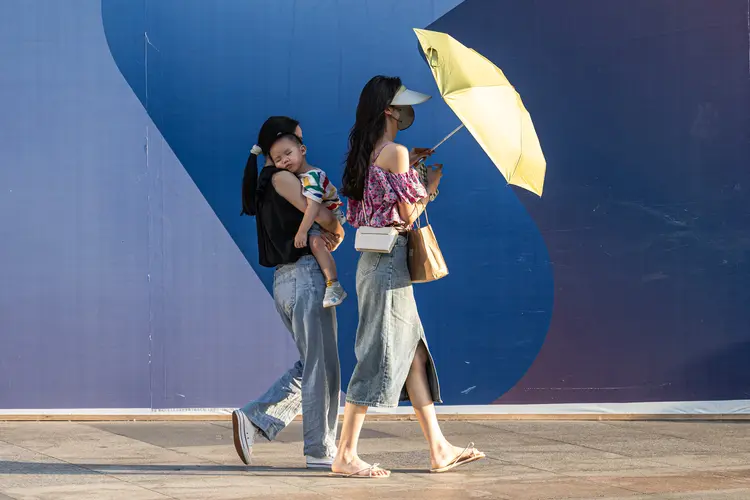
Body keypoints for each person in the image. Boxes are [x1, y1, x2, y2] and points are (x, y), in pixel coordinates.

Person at [332, 77, 485, 478]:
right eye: (402, 105)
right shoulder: (394, 152)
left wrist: (410, 170)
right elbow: (406, 216)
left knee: (414, 353)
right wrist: (428, 186)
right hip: (388, 264)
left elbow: (360, 212)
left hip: (377, 260)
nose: (408, 111)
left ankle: (439, 448)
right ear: (389, 110)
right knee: (376, 352)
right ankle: (345, 454)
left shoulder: (368, 153)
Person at [234, 116, 344, 469]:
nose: (297, 149)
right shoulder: (283, 179)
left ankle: (257, 420)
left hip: (289, 280)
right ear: (275, 148)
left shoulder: (270, 182)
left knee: (317, 364)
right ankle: (319, 450)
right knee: (321, 368)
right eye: (294, 141)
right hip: (305, 277)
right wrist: (335, 224)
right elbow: (325, 218)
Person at [268, 133, 347, 308]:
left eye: (288, 153)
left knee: (315, 243)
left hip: (332, 214)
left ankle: (334, 285)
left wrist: (302, 231)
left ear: (302, 150)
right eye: (279, 159)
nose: (285, 161)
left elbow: (313, 208)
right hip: (318, 216)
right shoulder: (297, 178)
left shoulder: (312, 176)